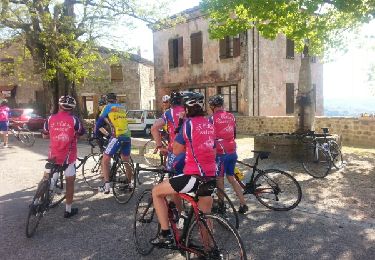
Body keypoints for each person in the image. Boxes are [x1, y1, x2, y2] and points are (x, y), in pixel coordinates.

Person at [151, 92, 216, 246]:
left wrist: (178, 128)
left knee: (156, 192)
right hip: (210, 176)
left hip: (193, 177)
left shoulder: (188, 125)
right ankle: (209, 250)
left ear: (186, 108)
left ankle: (165, 234)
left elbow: (177, 150)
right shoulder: (209, 124)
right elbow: (212, 150)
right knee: (205, 217)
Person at [43, 95, 86, 218]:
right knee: (70, 183)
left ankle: (37, 201)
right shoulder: (74, 120)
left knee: (46, 178)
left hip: (53, 156)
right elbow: (81, 132)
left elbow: (45, 134)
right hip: (68, 158)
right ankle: (68, 210)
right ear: (72, 108)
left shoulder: (50, 118)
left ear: (60, 105)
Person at [208, 94, 248, 214]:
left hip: (221, 153)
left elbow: (209, 137)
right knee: (231, 178)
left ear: (212, 107)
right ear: (222, 105)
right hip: (232, 150)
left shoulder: (211, 119)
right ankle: (243, 203)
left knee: (220, 179)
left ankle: (221, 205)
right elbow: (234, 133)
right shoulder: (231, 116)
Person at [94, 92, 133, 194]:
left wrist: (95, 133)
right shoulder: (122, 107)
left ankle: (106, 187)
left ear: (107, 100)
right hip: (127, 137)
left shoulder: (107, 107)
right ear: (116, 100)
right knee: (126, 162)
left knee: (105, 159)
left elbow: (98, 123)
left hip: (117, 136)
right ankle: (130, 184)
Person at [151, 91, 185, 169]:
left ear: (171, 102)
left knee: (172, 176)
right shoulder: (188, 111)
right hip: (190, 151)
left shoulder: (169, 112)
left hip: (175, 149)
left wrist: (159, 146)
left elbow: (154, 128)